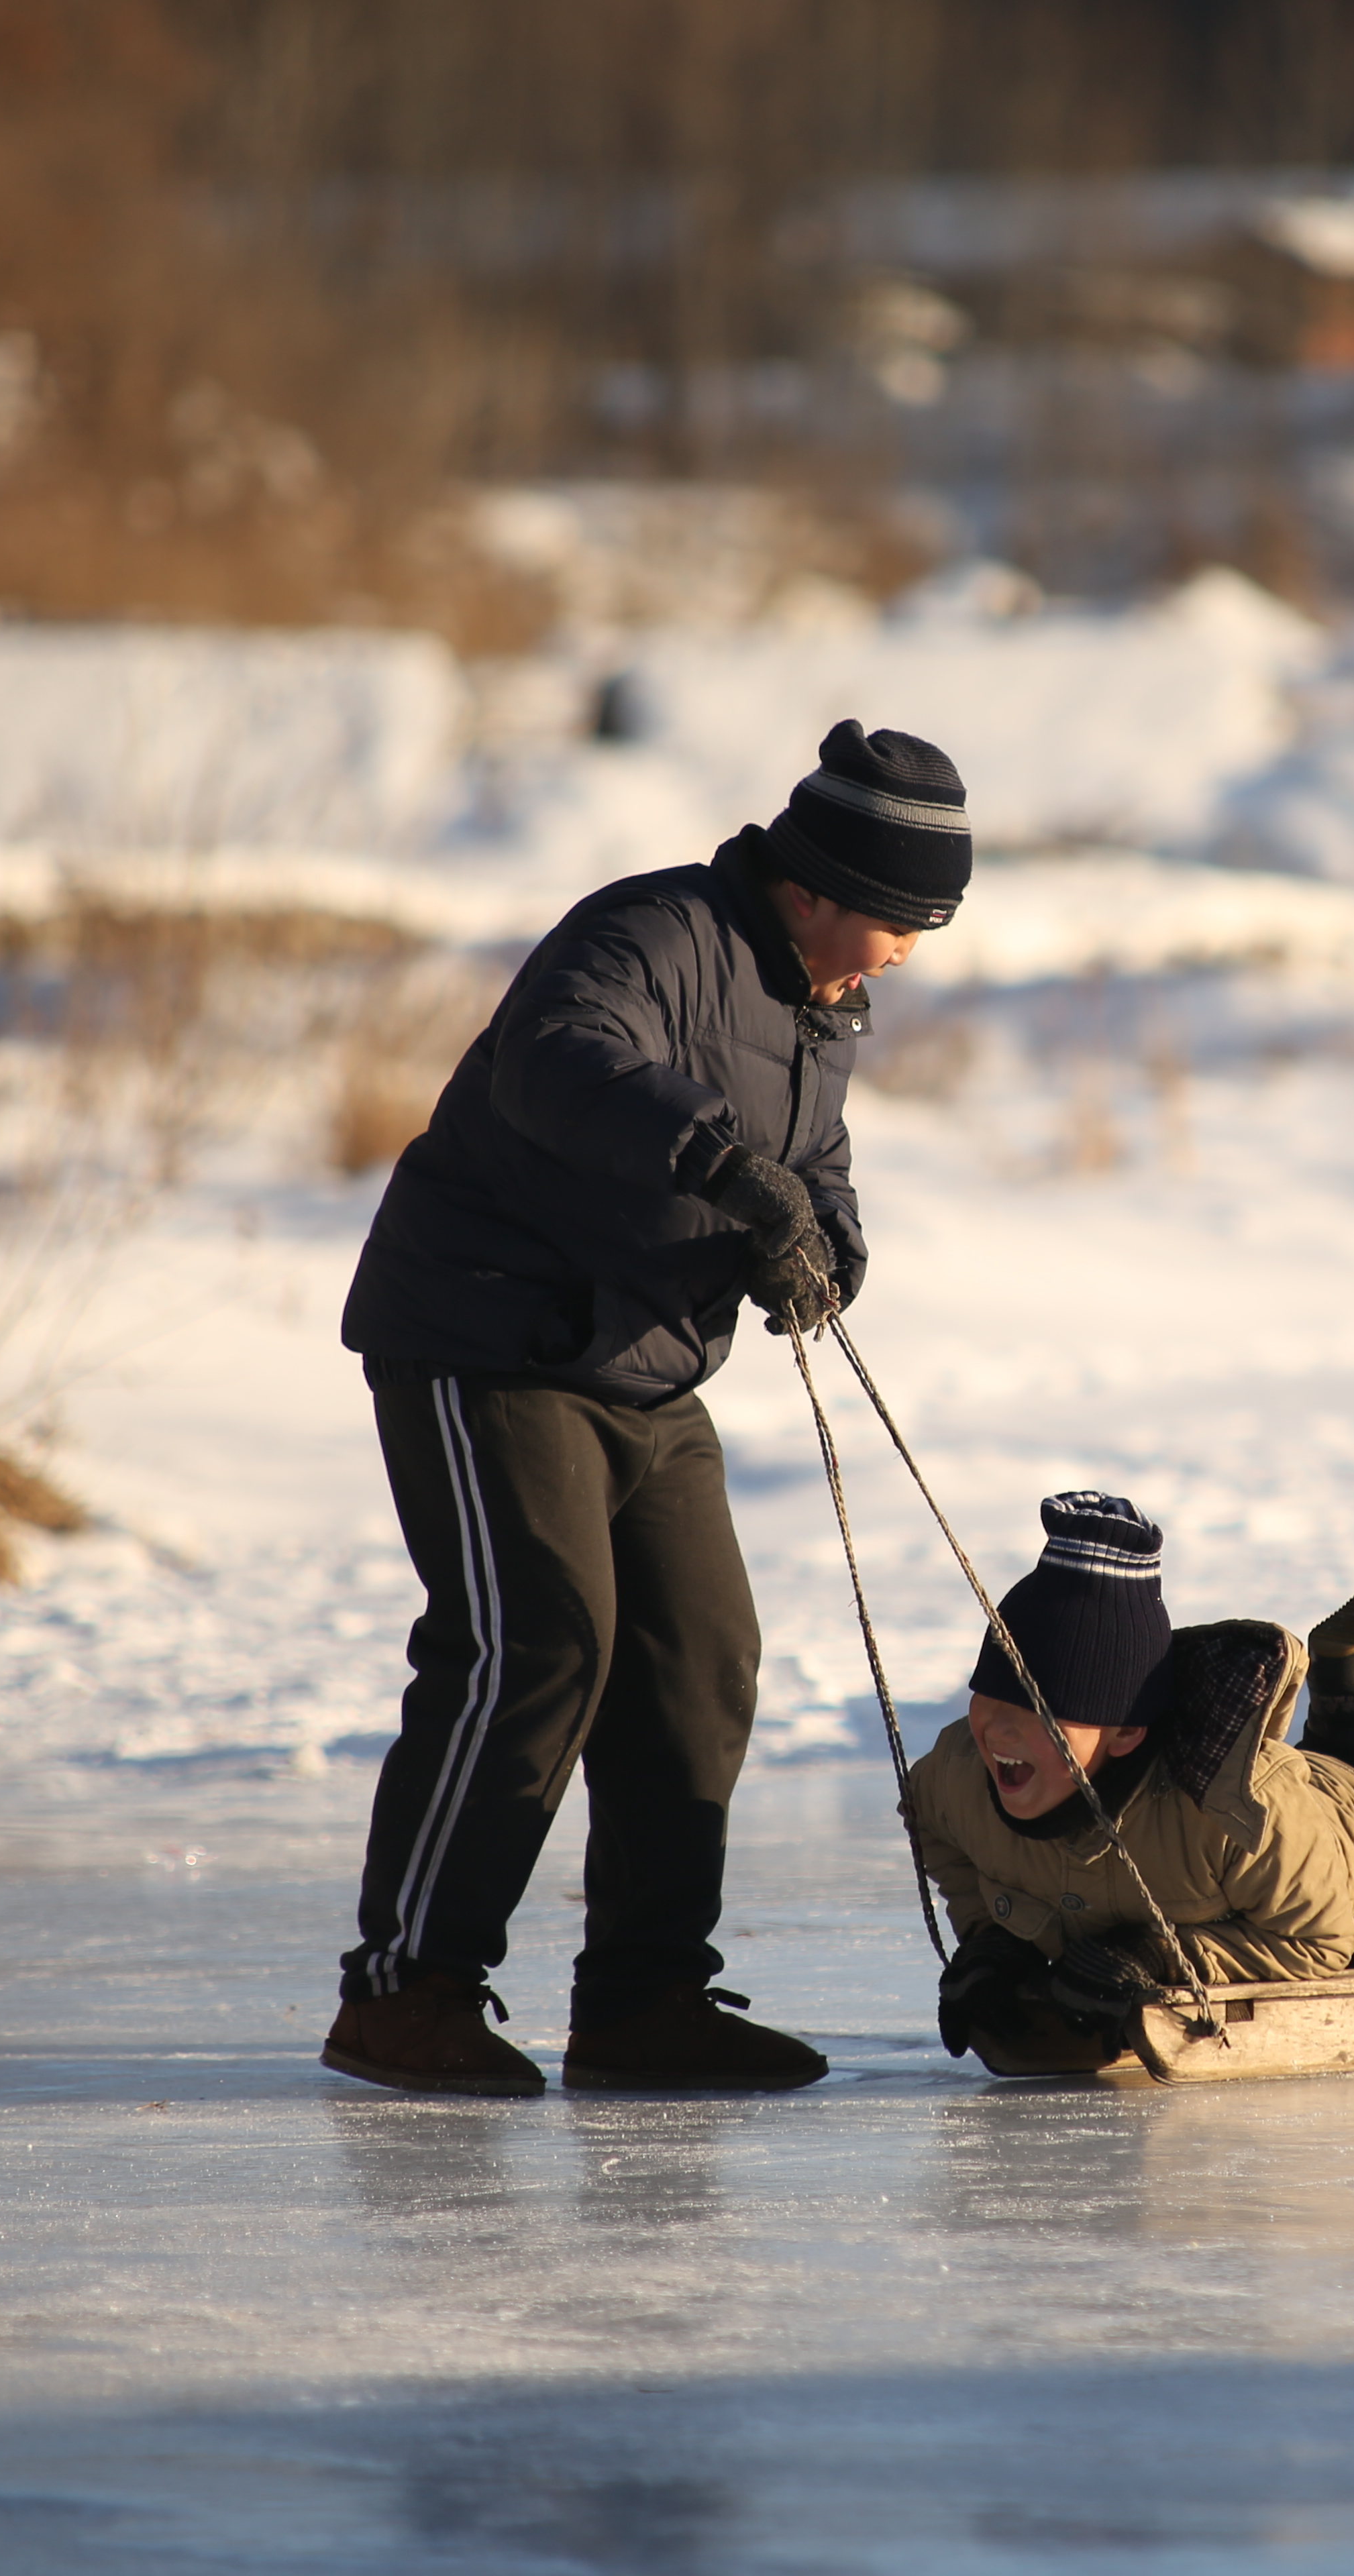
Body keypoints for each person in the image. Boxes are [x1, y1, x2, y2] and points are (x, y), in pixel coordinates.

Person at [318, 721, 970, 2097]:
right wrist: (730, 1170)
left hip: (650, 1366)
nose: (906, 953)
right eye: (900, 918)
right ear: (814, 882)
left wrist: (821, 1252)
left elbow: (821, 1162)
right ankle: (406, 1993)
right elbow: (558, 1058)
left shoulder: (821, 1002)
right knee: (536, 1642)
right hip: (491, 1337)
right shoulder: (653, 930)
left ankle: (642, 2002)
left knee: (699, 1658)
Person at [902, 1495, 1354, 2073]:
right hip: (1296, 1846)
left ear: (1126, 1734)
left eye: (1042, 1712)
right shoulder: (958, 1778)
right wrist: (994, 1942)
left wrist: (1161, 1955)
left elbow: (1319, 1938)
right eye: (992, 1696)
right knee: (1284, 1842)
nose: (1001, 1734)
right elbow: (931, 1823)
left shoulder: (1222, 1811)